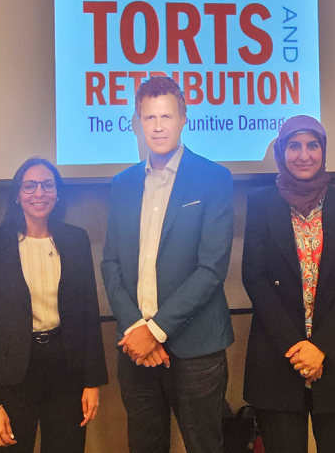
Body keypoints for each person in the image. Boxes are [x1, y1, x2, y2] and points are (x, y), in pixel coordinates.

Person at [101, 76, 235, 453]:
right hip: (135, 348)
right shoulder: (122, 183)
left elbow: (211, 269)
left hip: (196, 349)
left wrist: (156, 330)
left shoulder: (214, 178)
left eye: (166, 116)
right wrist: (136, 328)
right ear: (136, 122)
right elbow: (110, 263)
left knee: (204, 446)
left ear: (183, 118)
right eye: (149, 118)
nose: (158, 127)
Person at [242, 115, 335, 453]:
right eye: (294, 146)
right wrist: (297, 348)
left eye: (312, 145)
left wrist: (319, 347)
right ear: (281, 152)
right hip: (278, 356)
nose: (303, 155)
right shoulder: (261, 204)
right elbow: (254, 278)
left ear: (323, 151)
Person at [0, 157, 108, 453]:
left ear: (58, 194)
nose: (39, 193)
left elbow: (88, 313)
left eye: (48, 185)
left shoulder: (75, 239)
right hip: (12, 374)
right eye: (30, 186)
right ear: (17, 195)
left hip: (66, 370)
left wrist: (92, 381)